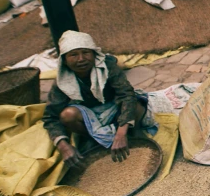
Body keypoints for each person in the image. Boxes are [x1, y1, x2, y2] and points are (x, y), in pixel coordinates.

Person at [42, 31, 153, 168]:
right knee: (67, 115)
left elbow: (126, 95)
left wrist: (121, 133)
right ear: (65, 60)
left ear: (94, 54)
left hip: (115, 108)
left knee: (135, 104)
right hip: (91, 115)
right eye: (73, 55)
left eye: (86, 52)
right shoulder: (62, 81)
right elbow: (50, 118)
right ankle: (93, 138)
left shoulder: (108, 66)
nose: (81, 59)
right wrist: (63, 146)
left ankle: (134, 133)